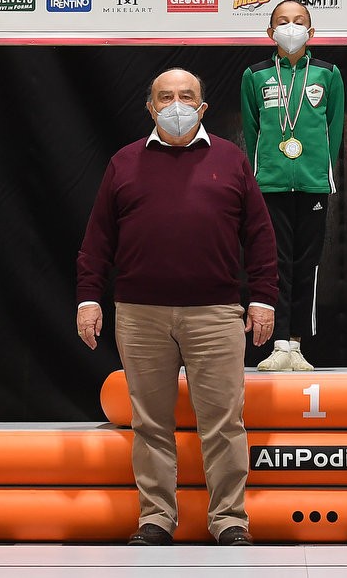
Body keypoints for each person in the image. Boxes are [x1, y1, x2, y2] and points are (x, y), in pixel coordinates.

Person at [76, 68, 277, 546]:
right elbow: (97, 239)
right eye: (165, 96)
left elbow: (260, 236)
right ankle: (156, 518)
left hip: (216, 314)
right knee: (150, 423)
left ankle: (229, 520)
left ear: (203, 107)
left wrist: (263, 299)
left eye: (187, 96)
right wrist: (88, 298)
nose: (177, 104)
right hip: (139, 314)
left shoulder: (230, 160)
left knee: (224, 423)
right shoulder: (124, 162)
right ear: (151, 108)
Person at [240, 0, 344, 371]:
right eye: (283, 21)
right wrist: (262, 173)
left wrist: (321, 173)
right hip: (270, 183)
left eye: (299, 21)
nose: (291, 27)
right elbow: (251, 131)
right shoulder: (255, 75)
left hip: (314, 184)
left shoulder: (328, 74)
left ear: (310, 32)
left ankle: (297, 345)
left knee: (307, 264)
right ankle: (278, 344)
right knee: (275, 262)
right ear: (270, 32)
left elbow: (334, 128)